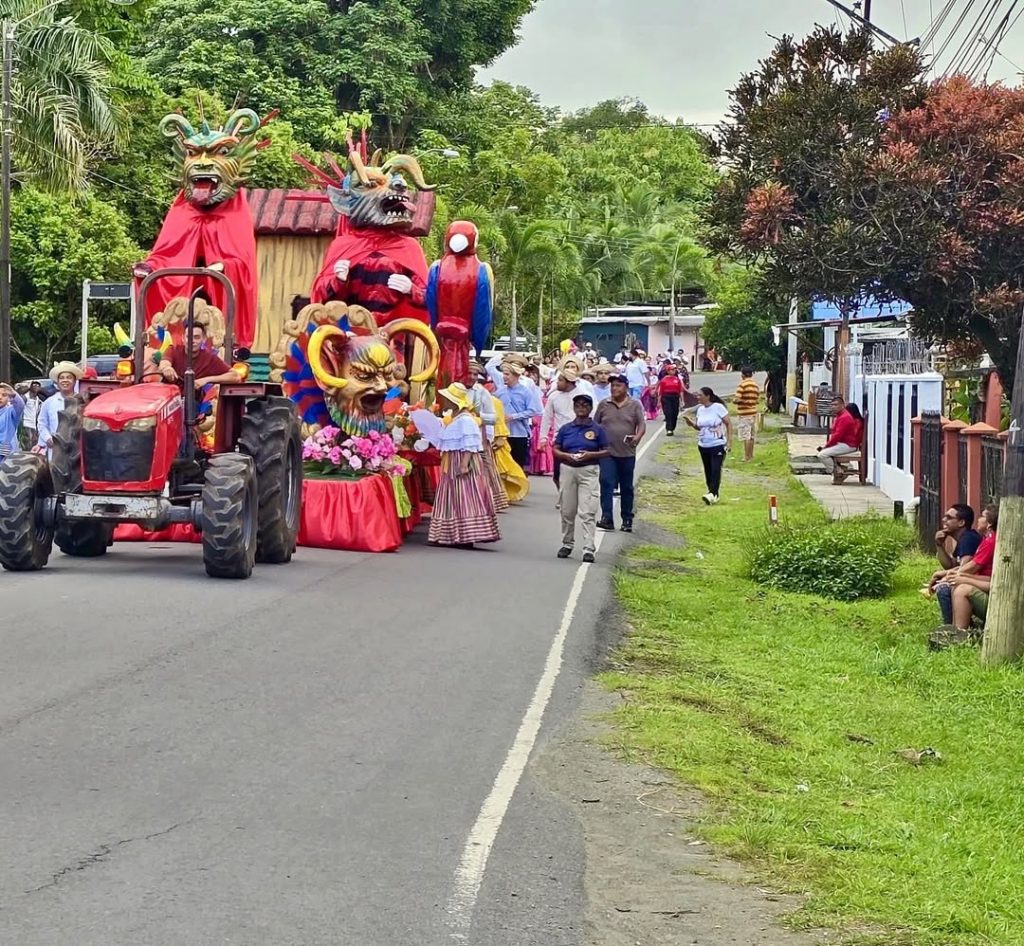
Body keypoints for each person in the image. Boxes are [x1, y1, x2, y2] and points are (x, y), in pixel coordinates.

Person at [427, 382, 500, 547]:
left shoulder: (466, 419)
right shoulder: (457, 418)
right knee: (452, 497)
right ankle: (448, 534)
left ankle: (464, 535)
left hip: (460, 462)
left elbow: (470, 444)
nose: (444, 401)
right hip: (452, 461)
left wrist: (464, 464)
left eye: (447, 399)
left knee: (464, 496)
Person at [929, 504, 998, 649]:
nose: (944, 520)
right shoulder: (986, 539)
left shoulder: (976, 539)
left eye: (982, 517)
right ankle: (955, 632)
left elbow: (969, 568)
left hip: (995, 597)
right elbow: (952, 565)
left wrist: (952, 576)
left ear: (990, 523)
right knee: (957, 583)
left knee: (953, 588)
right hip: (986, 585)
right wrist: (939, 546)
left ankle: (956, 633)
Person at [552, 393, 609, 563]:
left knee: (588, 511)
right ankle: (567, 543)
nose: (581, 408)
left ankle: (588, 548)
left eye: (585, 405)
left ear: (591, 408)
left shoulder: (598, 429)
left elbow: (607, 450)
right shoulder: (566, 429)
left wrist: (590, 454)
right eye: (578, 405)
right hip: (568, 468)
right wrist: (565, 456)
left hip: (589, 469)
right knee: (567, 510)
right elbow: (555, 448)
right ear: (574, 408)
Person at [594, 373, 646, 532]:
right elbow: (595, 425)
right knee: (606, 483)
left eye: (618, 385)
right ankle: (607, 517)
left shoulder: (635, 404)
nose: (614, 388)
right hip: (606, 453)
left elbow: (641, 425)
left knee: (626, 487)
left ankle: (627, 519)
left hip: (627, 453)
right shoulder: (604, 404)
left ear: (626, 387)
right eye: (613, 386)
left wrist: (636, 438)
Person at [467, 360, 509, 513]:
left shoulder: (481, 392)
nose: (471, 377)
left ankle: (487, 502)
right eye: (469, 373)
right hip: (459, 441)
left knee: (484, 471)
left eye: (475, 374)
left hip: (479, 438)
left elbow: (493, 418)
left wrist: (475, 416)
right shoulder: (455, 390)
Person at [154, 322, 242, 388]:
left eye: (196, 337)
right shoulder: (173, 350)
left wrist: (206, 380)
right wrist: (167, 368)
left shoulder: (209, 358)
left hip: (193, 402)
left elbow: (236, 376)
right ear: (183, 338)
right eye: (189, 337)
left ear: (204, 339)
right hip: (168, 398)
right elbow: (164, 363)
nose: (192, 341)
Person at [685, 386, 732, 505]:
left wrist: (729, 441)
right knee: (708, 470)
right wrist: (691, 424)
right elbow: (699, 427)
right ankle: (712, 493)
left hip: (717, 444)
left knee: (716, 469)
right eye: (697, 395)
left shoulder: (718, 408)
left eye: (700, 395)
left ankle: (713, 493)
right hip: (703, 444)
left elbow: (728, 423)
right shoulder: (700, 410)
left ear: (708, 396)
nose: (698, 397)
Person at [489, 361, 540, 469]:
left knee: (518, 466)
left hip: (519, 434)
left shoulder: (525, 392)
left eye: (507, 374)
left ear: (516, 375)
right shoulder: (500, 392)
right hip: (503, 435)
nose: (504, 377)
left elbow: (532, 411)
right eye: (504, 374)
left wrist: (513, 416)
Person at [540, 366, 580, 487]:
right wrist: (543, 437)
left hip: (578, 438)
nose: (557, 383)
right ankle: (563, 495)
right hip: (559, 439)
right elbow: (547, 417)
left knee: (575, 472)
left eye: (560, 380)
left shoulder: (582, 395)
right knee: (557, 474)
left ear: (569, 382)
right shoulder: (553, 396)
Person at [35, 361, 83, 456]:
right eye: (62, 378)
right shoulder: (49, 402)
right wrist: (48, 438)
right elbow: (42, 423)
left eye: (69, 377)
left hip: (78, 451)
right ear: (57, 381)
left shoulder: (81, 401)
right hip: (55, 452)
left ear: (74, 381)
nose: (65, 380)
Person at [816, 397, 864, 484]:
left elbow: (837, 435)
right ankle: (839, 471)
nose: (833, 407)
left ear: (842, 405)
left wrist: (827, 446)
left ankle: (838, 472)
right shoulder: (840, 416)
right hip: (844, 443)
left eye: (836, 405)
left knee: (822, 455)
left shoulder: (845, 417)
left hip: (849, 445)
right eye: (832, 405)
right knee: (824, 452)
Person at [733, 367, 761, 461]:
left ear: (743, 375)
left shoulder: (742, 385)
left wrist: (737, 401)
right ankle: (751, 455)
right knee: (752, 436)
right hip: (753, 413)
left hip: (744, 414)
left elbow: (737, 399)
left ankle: (746, 457)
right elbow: (757, 400)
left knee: (746, 435)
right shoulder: (755, 385)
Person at [657, 362, 683, 435]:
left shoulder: (677, 379)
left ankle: (672, 427)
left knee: (675, 413)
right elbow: (661, 391)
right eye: (671, 370)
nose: (673, 371)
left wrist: (682, 400)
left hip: (675, 397)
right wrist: (659, 401)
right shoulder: (664, 380)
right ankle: (669, 429)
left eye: (674, 370)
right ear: (668, 371)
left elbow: (680, 390)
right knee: (668, 412)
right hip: (666, 397)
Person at [0, 382, 25, 458]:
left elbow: (20, 406)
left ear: (9, 398)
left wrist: (13, 394)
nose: (0, 397)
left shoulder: (10, 412)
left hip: (7, 456)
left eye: (4, 395)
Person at [20, 380, 43, 449]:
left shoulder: (38, 398)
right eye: (34, 385)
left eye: (38, 386)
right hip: (26, 423)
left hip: (34, 424)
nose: (36, 387)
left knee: (35, 442)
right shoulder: (25, 397)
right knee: (28, 443)